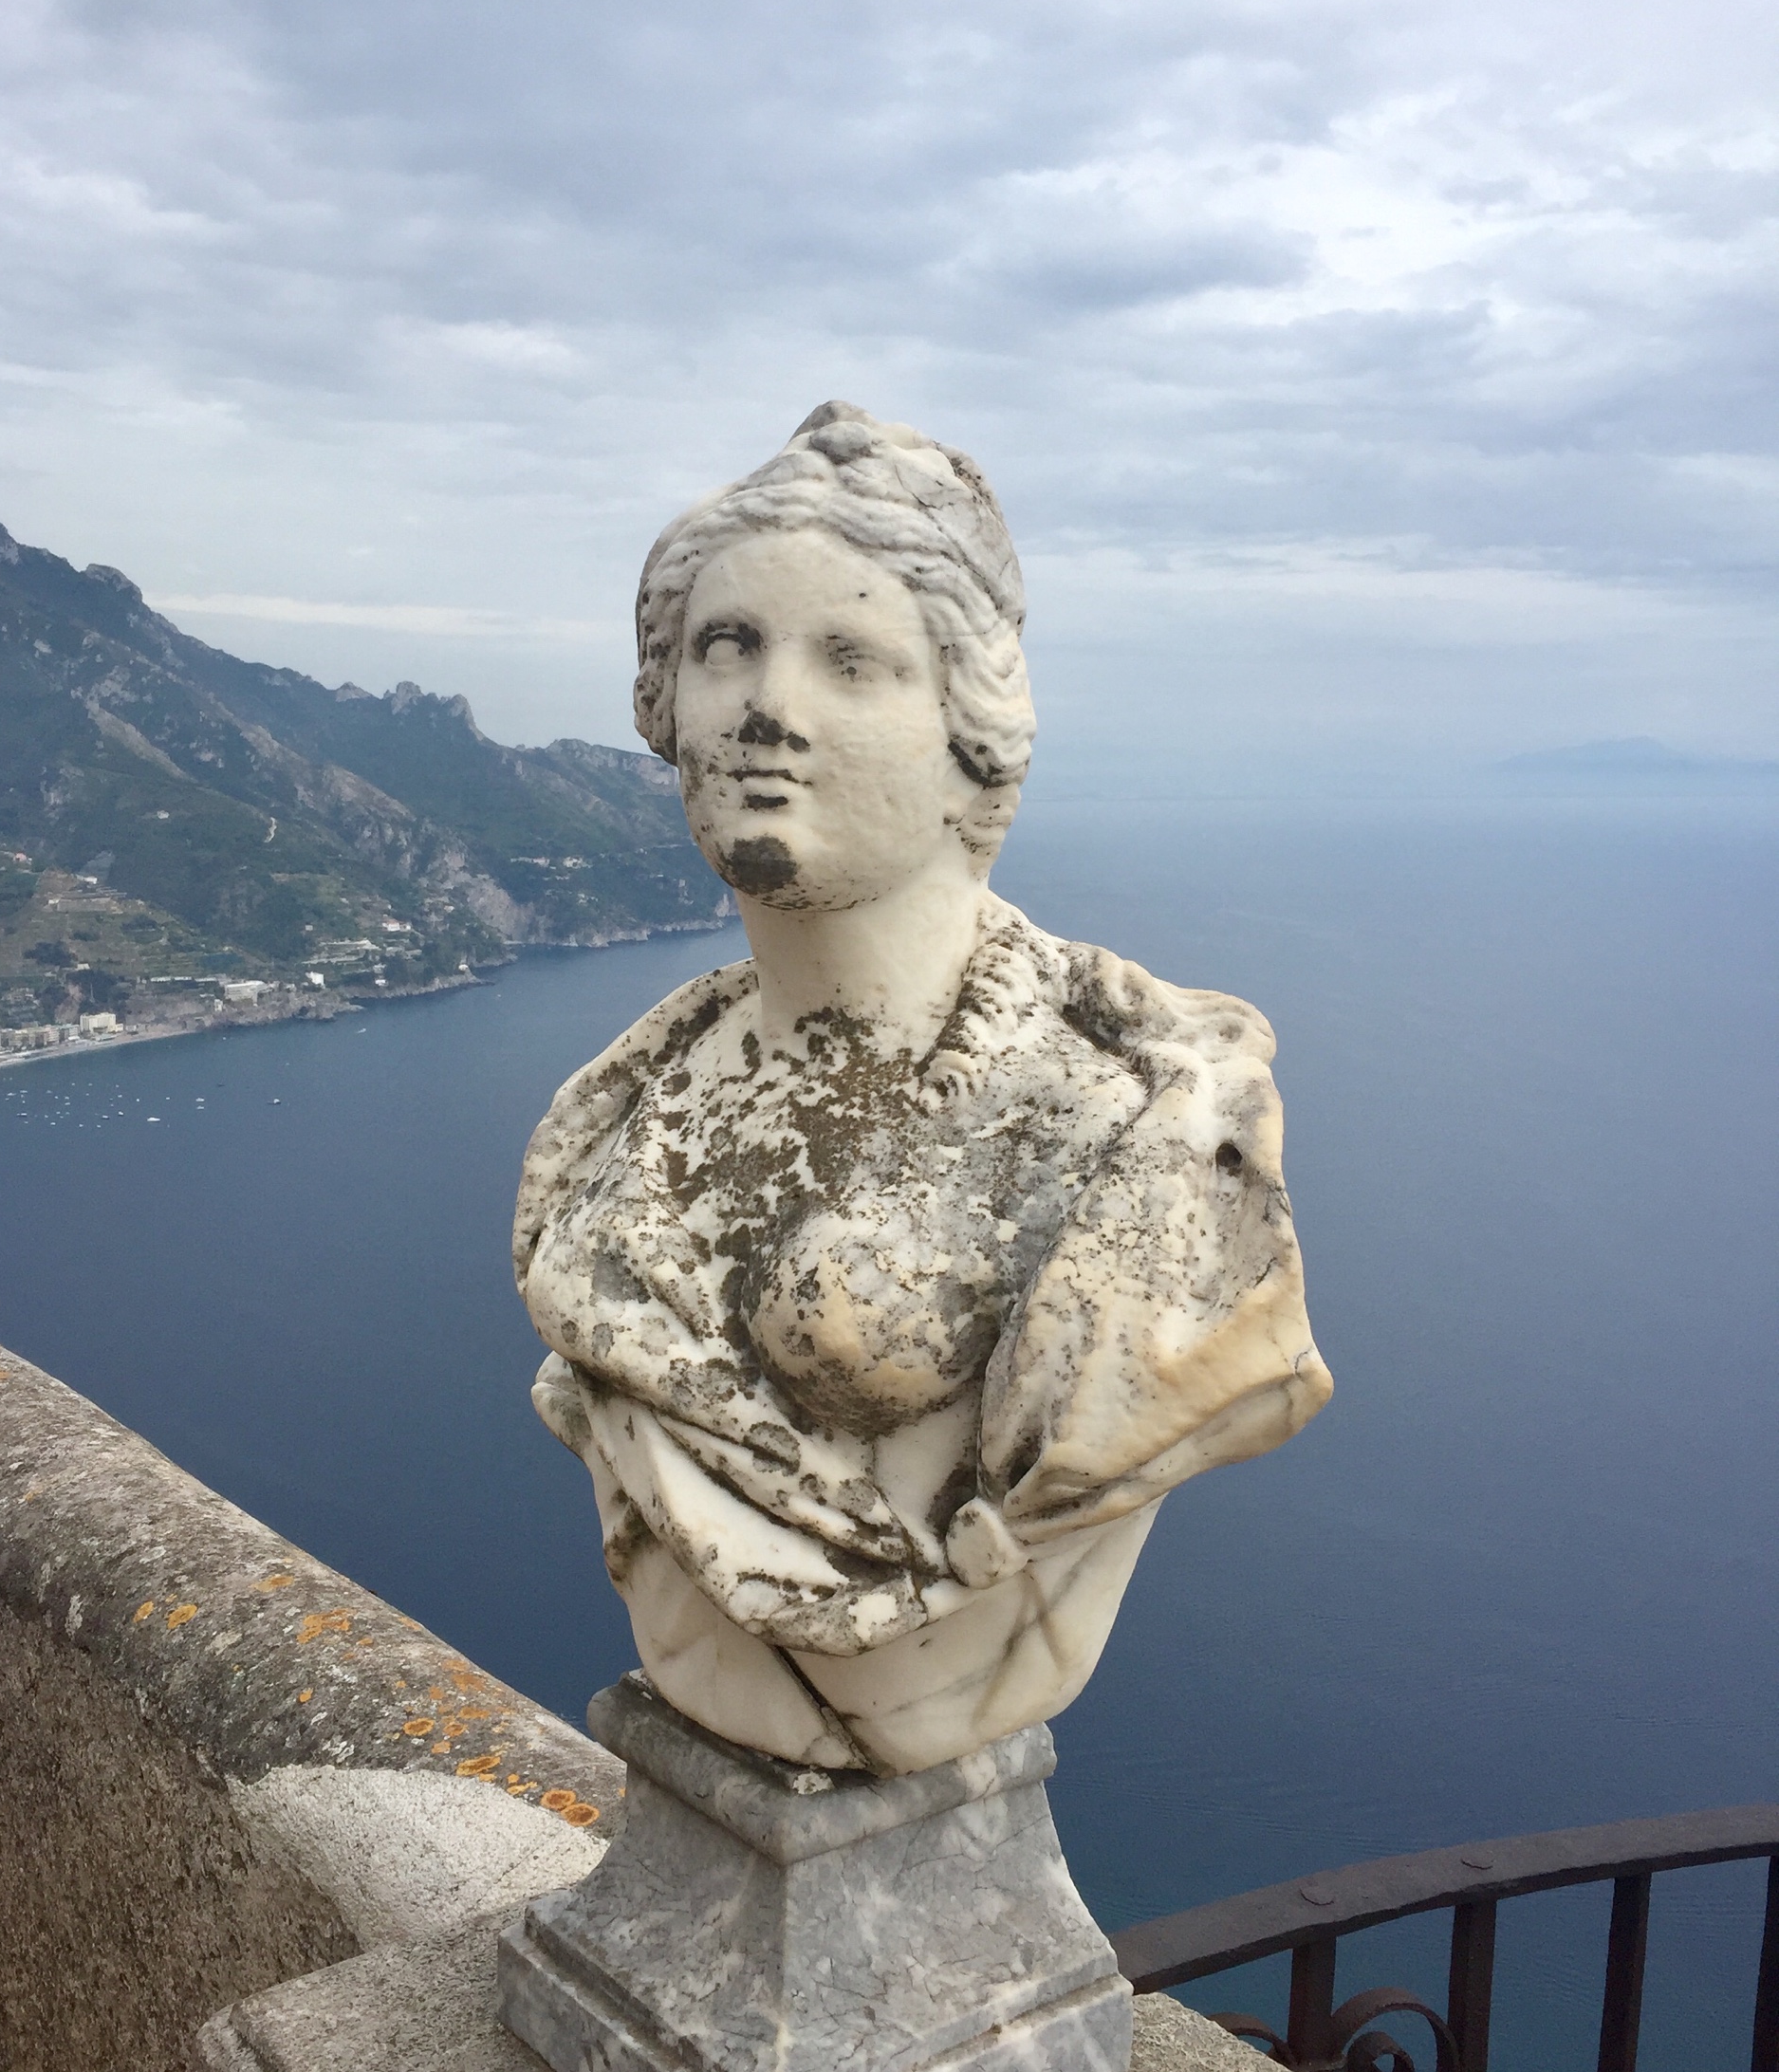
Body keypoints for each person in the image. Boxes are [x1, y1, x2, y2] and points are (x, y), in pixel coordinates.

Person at [515, 402, 1331, 1775]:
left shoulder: (1136, 1129)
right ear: (664, 703)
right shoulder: (621, 1104)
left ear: (970, 733)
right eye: (727, 646)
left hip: (940, 1711)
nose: (768, 709)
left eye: (852, 660)